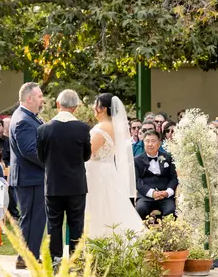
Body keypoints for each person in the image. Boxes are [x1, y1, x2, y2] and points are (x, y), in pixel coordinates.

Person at [36, 89, 91, 258]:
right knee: (76, 223)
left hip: (54, 184)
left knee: (54, 224)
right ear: (75, 107)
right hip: (76, 185)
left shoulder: (43, 129)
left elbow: (41, 157)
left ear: (58, 104)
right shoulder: (83, 128)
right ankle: (76, 259)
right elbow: (86, 156)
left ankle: (55, 259)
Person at [85, 93, 145, 237]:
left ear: (103, 108)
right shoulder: (114, 126)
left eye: (96, 104)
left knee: (101, 207)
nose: (94, 107)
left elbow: (88, 151)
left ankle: (100, 238)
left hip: (98, 173)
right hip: (108, 170)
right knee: (111, 206)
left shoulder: (102, 129)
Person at [9, 81, 46, 268]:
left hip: (31, 177)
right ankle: (26, 257)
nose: (42, 100)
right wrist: (51, 161)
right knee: (32, 218)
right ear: (29, 98)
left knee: (35, 218)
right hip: (29, 178)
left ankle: (30, 255)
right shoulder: (23, 119)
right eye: (39, 96)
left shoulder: (29, 116)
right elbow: (30, 150)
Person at [134, 129, 178, 220]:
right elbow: (137, 181)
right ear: (144, 143)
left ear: (159, 143)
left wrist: (167, 192)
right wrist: (152, 193)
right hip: (146, 196)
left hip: (165, 195)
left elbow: (174, 178)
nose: (150, 144)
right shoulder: (137, 160)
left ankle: (168, 233)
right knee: (140, 209)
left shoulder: (168, 158)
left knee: (171, 211)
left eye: (153, 141)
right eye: (147, 141)